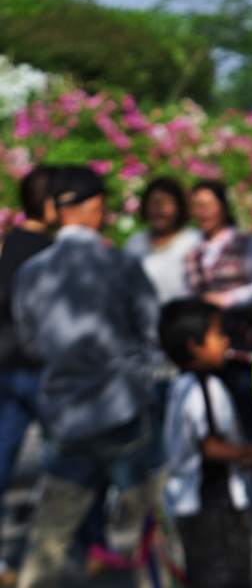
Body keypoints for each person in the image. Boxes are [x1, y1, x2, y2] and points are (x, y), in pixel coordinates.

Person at [12, 166, 165, 588]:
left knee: (51, 532)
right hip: (123, 407)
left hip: (64, 413)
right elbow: (153, 330)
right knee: (151, 529)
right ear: (96, 207)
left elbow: (30, 342)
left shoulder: (31, 272)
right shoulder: (120, 264)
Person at [159, 299, 252, 588]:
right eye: (218, 334)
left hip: (199, 508)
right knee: (225, 577)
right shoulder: (199, 387)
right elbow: (210, 446)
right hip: (213, 509)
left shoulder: (180, 387)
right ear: (194, 344)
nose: (226, 340)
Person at [0, 166, 57, 584]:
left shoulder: (14, 241)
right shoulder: (33, 246)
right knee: (71, 458)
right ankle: (89, 545)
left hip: (11, 366)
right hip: (30, 368)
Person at [186, 180, 252, 446]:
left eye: (207, 205)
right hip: (205, 350)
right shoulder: (193, 251)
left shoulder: (244, 243)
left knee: (247, 412)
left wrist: (226, 299)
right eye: (197, 206)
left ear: (222, 207)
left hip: (239, 346)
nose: (202, 212)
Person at [124, 177, 202, 304]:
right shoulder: (135, 243)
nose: (160, 209)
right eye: (154, 203)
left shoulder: (194, 241)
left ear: (179, 207)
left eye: (167, 202)